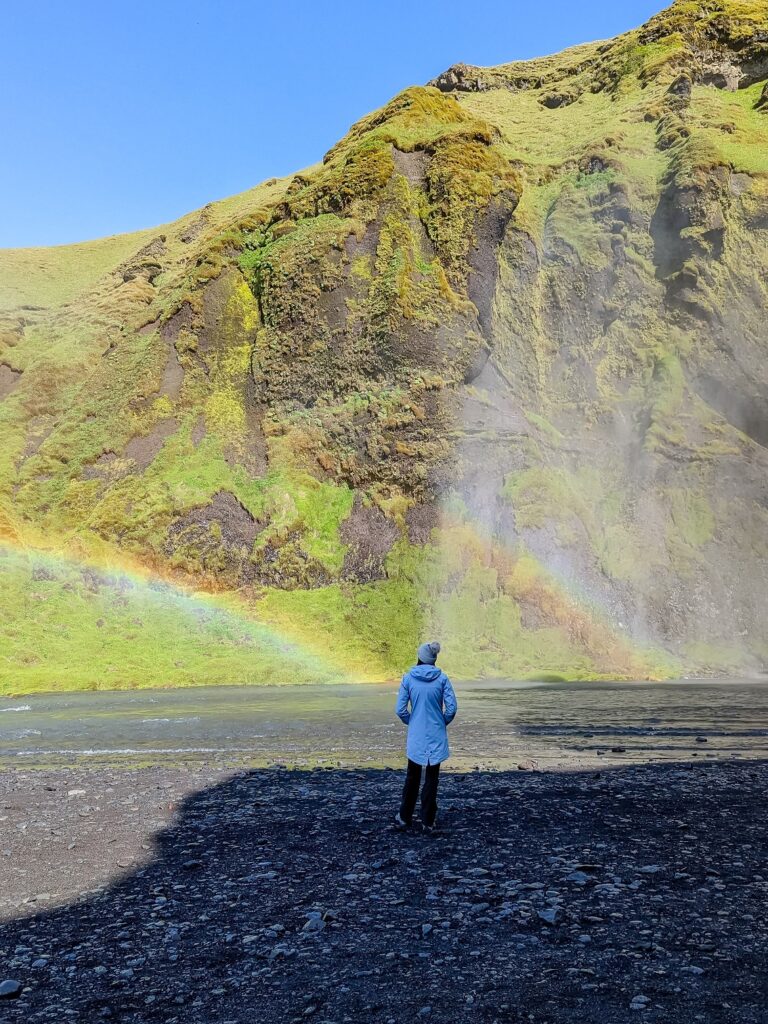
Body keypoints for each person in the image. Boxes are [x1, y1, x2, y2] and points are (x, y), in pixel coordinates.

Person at [394, 641, 457, 834]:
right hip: (436, 732)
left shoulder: (408, 679)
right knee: (432, 778)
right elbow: (452, 708)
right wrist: (442, 721)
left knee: (412, 775)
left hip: (416, 733)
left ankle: (405, 817)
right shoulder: (442, 679)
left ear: (419, 658)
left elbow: (400, 709)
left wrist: (411, 722)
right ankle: (428, 820)